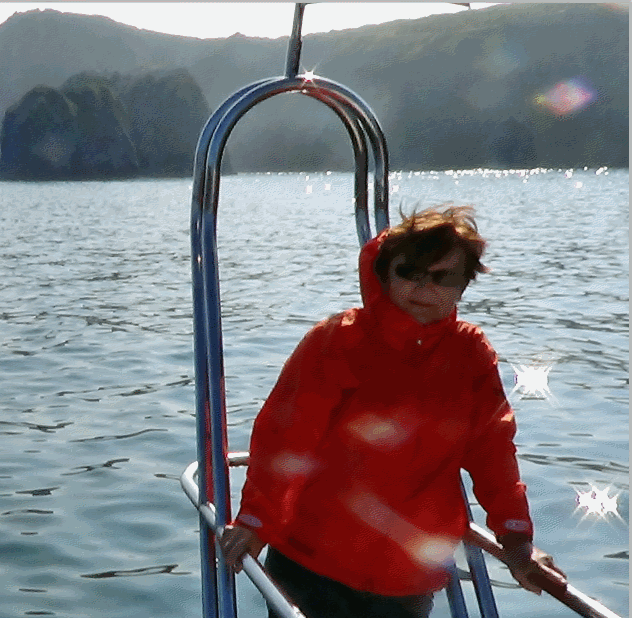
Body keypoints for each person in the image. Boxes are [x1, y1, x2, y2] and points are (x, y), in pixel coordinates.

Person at [217, 205, 567, 618]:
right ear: (385, 275)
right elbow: (285, 439)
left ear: (463, 286)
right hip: (310, 564)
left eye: (443, 277)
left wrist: (517, 541)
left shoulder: (471, 354)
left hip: (408, 579)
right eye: (409, 272)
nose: (424, 286)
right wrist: (255, 522)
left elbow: (494, 455)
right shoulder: (336, 341)